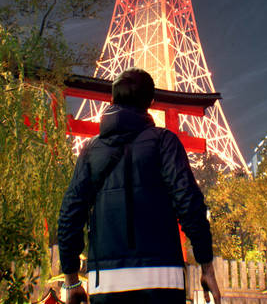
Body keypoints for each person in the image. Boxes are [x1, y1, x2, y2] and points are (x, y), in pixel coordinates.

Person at [58, 68, 221, 304]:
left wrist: (72, 280)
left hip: (106, 282)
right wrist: (206, 266)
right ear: (151, 103)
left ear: (112, 101)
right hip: (162, 277)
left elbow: (70, 213)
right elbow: (189, 203)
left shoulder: (91, 150)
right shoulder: (164, 142)